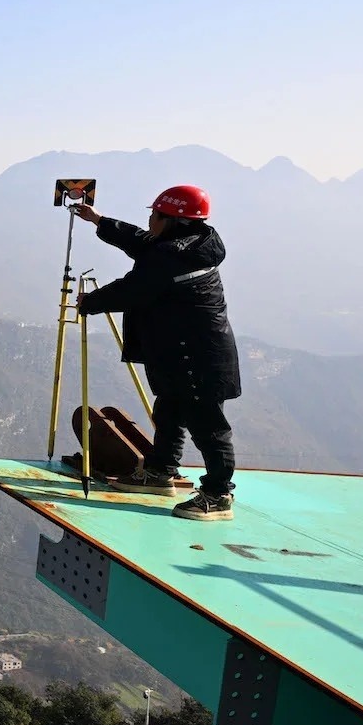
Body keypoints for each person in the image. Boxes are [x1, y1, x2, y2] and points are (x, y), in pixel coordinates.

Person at [73, 185, 240, 521]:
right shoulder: (189, 244)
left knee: (208, 426)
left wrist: (90, 302)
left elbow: (132, 289)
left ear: (173, 221)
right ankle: (161, 472)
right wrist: (99, 220)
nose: (150, 220)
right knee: (169, 411)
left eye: (155, 214)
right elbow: (141, 241)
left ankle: (218, 495)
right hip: (181, 353)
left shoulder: (170, 257)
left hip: (199, 357)